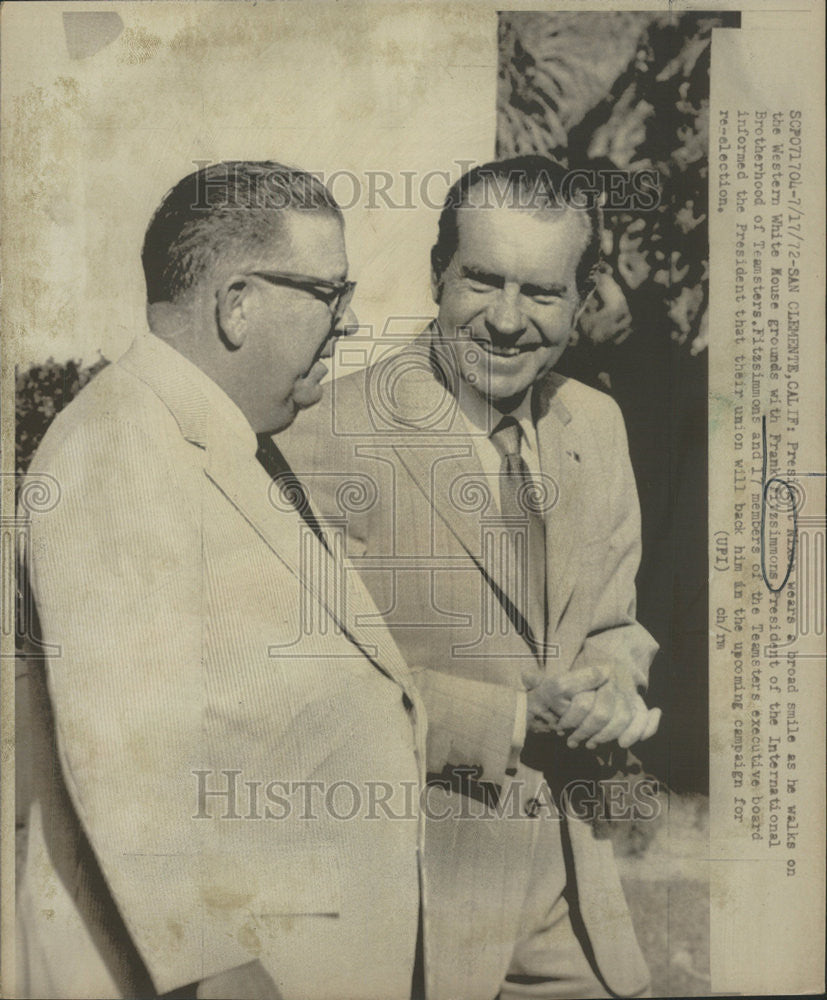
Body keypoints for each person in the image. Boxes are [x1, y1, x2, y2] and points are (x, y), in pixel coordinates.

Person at [16, 161, 431, 1000]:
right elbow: (125, 751)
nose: (347, 323)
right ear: (237, 303)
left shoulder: (219, 442)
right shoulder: (120, 446)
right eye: (329, 292)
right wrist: (211, 963)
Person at [279, 156, 661, 999]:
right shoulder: (323, 437)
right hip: (406, 926)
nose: (506, 321)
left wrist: (612, 685)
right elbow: (299, 696)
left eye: (542, 293)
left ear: (582, 295)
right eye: (481, 281)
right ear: (436, 275)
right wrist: (513, 721)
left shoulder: (595, 426)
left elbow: (609, 625)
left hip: (571, 908)